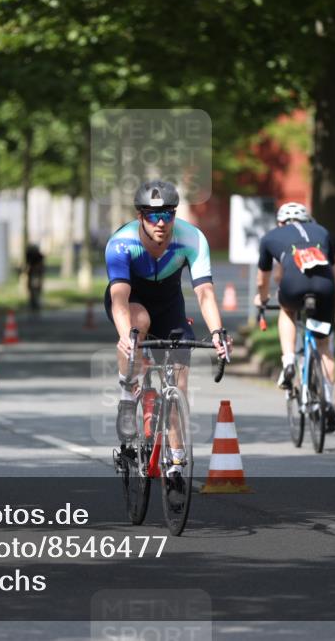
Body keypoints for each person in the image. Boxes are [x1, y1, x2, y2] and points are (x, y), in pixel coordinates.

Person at [104, 180, 230, 479]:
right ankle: (126, 392)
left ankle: (175, 462)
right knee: (140, 324)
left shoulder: (192, 239)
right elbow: (119, 298)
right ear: (140, 218)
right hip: (132, 303)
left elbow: (205, 293)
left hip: (170, 306)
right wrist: (125, 336)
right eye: (152, 216)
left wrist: (217, 332)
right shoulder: (121, 243)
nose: (161, 223)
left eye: (167, 215)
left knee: (179, 384)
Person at [254, 201, 335, 433]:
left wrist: (262, 298)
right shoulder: (325, 232)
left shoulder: (271, 237)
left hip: (293, 286)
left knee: (287, 310)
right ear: (308, 220)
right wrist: (329, 297)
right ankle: (328, 400)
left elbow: (263, 280)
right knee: (324, 346)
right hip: (326, 286)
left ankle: (288, 362)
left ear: (280, 223)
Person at [24, 243, 45, 312]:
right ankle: (33, 302)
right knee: (32, 289)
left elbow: (40, 266)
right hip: (33, 274)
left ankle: (35, 302)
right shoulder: (31, 255)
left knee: (36, 289)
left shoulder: (38, 256)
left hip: (36, 274)